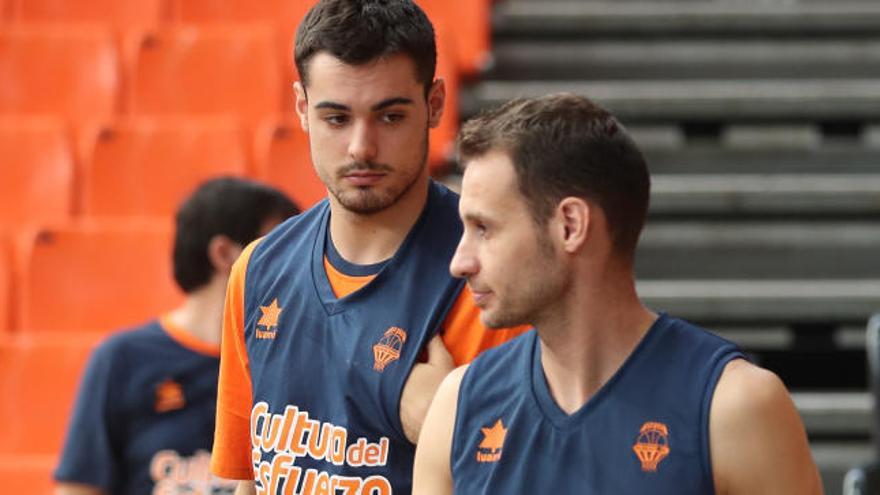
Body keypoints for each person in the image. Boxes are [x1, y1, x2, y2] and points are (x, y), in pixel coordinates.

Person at [413, 94, 824, 494]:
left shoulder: (736, 408)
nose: (459, 261)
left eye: (483, 229)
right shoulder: (458, 408)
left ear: (570, 225)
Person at [209, 1, 528, 493]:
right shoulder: (257, 270)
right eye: (336, 118)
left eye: (390, 116)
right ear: (301, 108)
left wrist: (448, 430)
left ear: (436, 103)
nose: (361, 146)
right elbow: (243, 480)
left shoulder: (493, 276)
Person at [54, 177, 299, 495]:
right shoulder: (123, 358)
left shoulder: (298, 357)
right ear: (225, 254)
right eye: (279, 248)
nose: (297, 265)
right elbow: (78, 488)